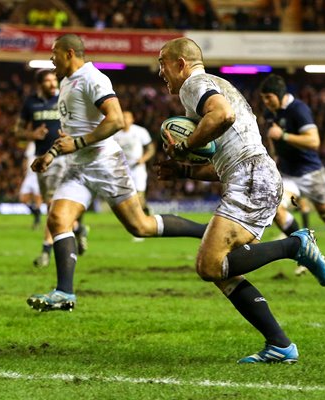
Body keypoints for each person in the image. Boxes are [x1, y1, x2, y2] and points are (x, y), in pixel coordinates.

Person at [157, 37, 325, 364]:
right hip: (251, 175)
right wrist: (184, 171)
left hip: (251, 177)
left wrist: (183, 146)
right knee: (221, 271)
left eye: (162, 63)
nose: (160, 72)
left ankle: (295, 246)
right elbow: (223, 161)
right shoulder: (215, 86)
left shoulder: (193, 84)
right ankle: (280, 344)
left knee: (209, 265)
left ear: (181, 63)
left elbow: (222, 116)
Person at [27, 33, 207, 312]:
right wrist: (50, 155)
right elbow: (71, 132)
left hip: (105, 164)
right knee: (57, 219)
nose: (51, 59)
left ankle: (207, 232)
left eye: (54, 53)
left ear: (69, 54)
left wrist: (77, 143)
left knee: (140, 226)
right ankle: (65, 293)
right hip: (77, 165)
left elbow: (116, 120)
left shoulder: (92, 79)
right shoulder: (65, 83)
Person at [258, 73, 325, 284]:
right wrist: (274, 158)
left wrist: (283, 136)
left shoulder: (299, 110)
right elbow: (273, 139)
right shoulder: (271, 112)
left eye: (268, 97)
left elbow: (314, 141)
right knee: (275, 209)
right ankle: (306, 248)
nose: (265, 102)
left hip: (313, 175)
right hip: (290, 176)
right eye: (263, 98)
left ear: (279, 95)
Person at [14, 69, 89, 268]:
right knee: (54, 206)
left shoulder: (65, 98)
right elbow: (17, 131)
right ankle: (78, 227)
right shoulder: (30, 103)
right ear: (40, 84)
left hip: (65, 157)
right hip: (43, 160)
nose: (52, 84)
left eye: (53, 80)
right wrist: (32, 134)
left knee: (53, 206)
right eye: (47, 81)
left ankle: (46, 251)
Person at [112, 111, 156, 216]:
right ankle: (143, 213)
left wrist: (143, 159)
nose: (125, 120)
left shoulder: (140, 131)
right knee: (127, 197)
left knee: (139, 196)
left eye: (127, 118)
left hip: (137, 168)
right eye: (123, 118)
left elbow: (151, 149)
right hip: (121, 169)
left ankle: (145, 213)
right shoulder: (114, 134)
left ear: (132, 119)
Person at [18, 141, 43, 230]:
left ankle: (38, 219)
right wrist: (24, 170)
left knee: (38, 199)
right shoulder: (31, 144)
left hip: (38, 176)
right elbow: (26, 159)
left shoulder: (43, 144)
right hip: (29, 175)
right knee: (23, 199)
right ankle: (36, 213)